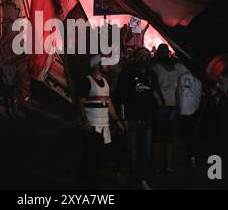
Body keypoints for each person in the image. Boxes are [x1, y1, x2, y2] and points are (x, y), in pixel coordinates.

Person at [77, 55, 124, 189]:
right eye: (104, 63)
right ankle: (83, 185)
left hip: (103, 126)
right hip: (92, 126)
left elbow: (108, 104)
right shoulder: (87, 81)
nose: (107, 65)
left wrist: (117, 120)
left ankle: (91, 184)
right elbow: (80, 103)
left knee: (97, 158)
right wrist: (85, 123)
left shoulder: (105, 82)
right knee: (89, 158)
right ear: (97, 65)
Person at [116, 47, 160, 190]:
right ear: (136, 57)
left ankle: (140, 179)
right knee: (131, 152)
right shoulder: (127, 74)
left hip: (146, 120)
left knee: (145, 153)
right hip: (132, 120)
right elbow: (120, 97)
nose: (146, 58)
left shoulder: (151, 75)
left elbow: (152, 95)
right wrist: (123, 118)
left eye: (148, 56)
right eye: (143, 56)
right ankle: (130, 178)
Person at [150, 43, 187, 172]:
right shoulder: (157, 68)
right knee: (162, 137)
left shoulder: (173, 68)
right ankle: (161, 164)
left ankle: (163, 164)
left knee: (164, 137)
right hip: (163, 107)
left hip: (168, 106)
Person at [176, 67, 202, 168]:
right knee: (188, 134)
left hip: (190, 108)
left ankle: (191, 156)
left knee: (189, 134)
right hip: (188, 108)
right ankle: (190, 156)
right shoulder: (181, 70)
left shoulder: (182, 71)